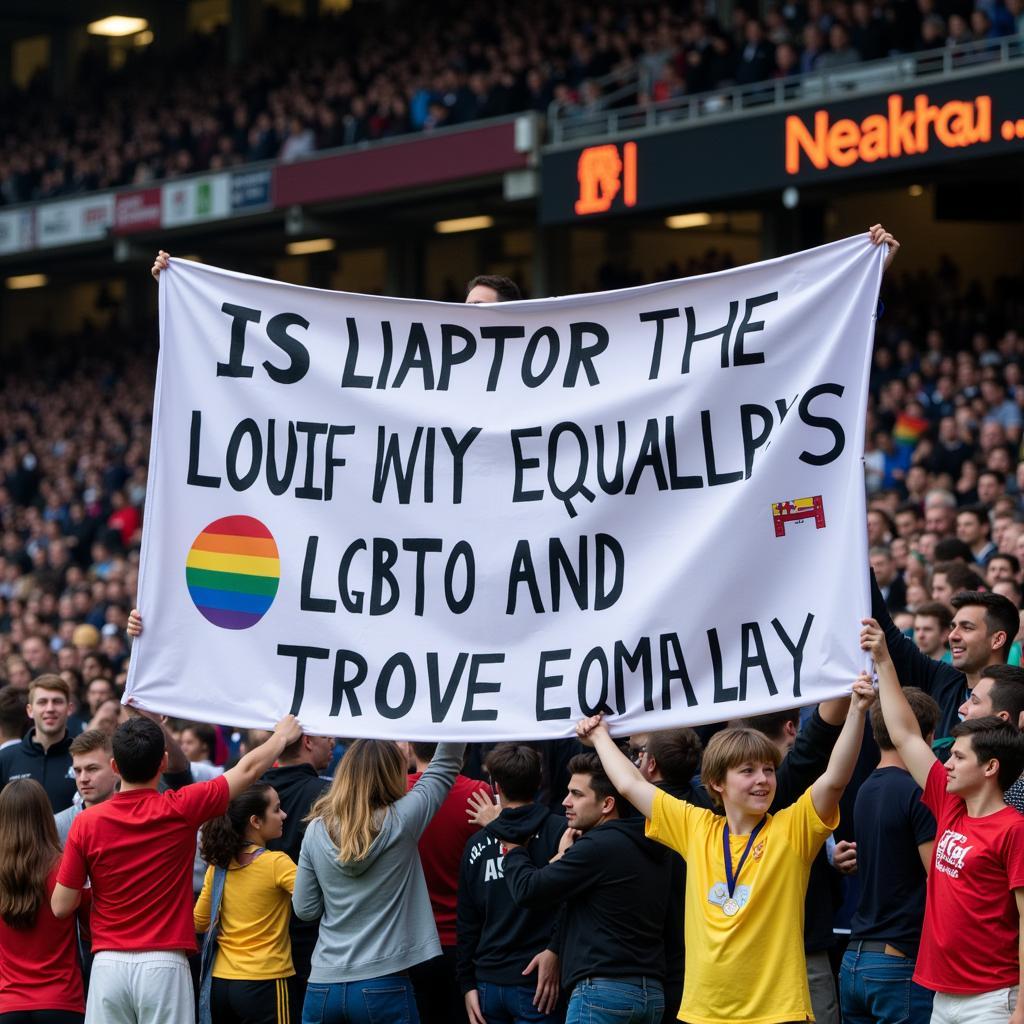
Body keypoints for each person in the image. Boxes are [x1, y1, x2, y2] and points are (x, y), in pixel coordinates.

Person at [575, 683, 874, 1024]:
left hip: (778, 1013)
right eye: (747, 771)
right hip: (704, 1013)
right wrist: (599, 736)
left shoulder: (792, 830)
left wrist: (858, 710)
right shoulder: (696, 827)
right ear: (717, 782)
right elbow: (632, 785)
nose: (762, 780)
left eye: (768, 770)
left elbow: (835, 780)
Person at [51, 712, 302, 1024]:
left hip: (107, 964)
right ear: (163, 763)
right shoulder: (181, 806)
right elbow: (247, 770)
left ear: (114, 767)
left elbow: (61, 906)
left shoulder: (85, 822)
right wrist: (281, 736)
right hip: (164, 964)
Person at [863, 617, 1024, 1024]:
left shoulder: (1013, 829)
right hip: (941, 992)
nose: (946, 764)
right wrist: (883, 658)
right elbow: (905, 735)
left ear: (990, 768)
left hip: (992, 998)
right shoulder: (949, 804)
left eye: (958, 757)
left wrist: (1021, 1008)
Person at [292, 739, 466, 1024]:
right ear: (392, 775)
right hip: (383, 983)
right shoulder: (403, 820)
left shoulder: (315, 829)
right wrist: (459, 709)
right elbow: (445, 764)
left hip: (323, 984)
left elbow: (305, 909)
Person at [503, 751, 672, 1024]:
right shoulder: (651, 843)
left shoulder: (597, 847)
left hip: (602, 994)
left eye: (577, 794)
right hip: (651, 995)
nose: (565, 802)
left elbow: (528, 890)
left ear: (607, 804)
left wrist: (513, 850)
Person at [837, 687, 940, 1024]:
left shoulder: (866, 788)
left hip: (855, 962)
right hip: (897, 963)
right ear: (925, 736)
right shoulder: (917, 793)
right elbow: (939, 881)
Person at [456, 743, 562, 1024]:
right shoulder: (561, 832)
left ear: (495, 785)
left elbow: (467, 922)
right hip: (526, 981)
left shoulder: (477, 843)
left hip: (518, 983)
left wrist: (466, 983)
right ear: (539, 782)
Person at [194, 783, 297, 1024]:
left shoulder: (218, 867)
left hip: (220, 983)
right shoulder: (277, 863)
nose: (283, 815)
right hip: (266, 979)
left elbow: (199, 922)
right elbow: (312, 901)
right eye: (276, 809)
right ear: (255, 821)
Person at [872, 578, 1020, 742]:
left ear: (997, 640)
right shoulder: (941, 678)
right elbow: (887, 633)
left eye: (967, 627)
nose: (952, 636)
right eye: (953, 627)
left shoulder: (1017, 697)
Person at [407, 742, 492, 1024]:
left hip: (410, 941)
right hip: (465, 942)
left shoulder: (396, 792)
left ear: (410, 747)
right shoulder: (478, 793)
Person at [0, 778, 90, 1024]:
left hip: (7, 1004)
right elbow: (90, 929)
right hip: (62, 1001)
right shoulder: (66, 868)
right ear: (45, 817)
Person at [262, 731, 333, 1018]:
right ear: (307, 741)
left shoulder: (254, 790)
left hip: (256, 945)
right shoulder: (328, 797)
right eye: (326, 735)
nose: (333, 742)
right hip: (314, 939)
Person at [0, 675, 77, 812]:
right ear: (30, 710)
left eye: (57, 701)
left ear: (69, 709)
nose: (50, 708)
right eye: (42, 702)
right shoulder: (6, 758)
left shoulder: (81, 757)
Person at [54, 729, 119, 847]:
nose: (83, 779)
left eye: (92, 769)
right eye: (77, 771)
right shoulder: (58, 826)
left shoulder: (135, 818)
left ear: (115, 768)